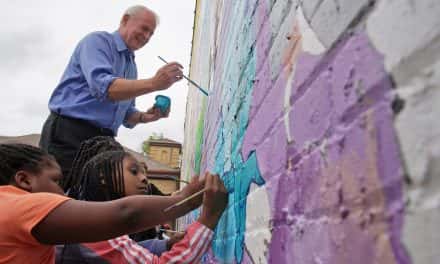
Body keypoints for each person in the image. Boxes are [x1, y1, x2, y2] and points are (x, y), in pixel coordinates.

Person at [0, 143, 228, 263]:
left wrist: (165, 244)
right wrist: (202, 216)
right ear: (24, 180)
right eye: (56, 180)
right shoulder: (21, 209)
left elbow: (126, 247)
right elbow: (126, 215)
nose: (62, 191)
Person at [39, 5, 184, 178]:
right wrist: (154, 83)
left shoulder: (131, 67)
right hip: (69, 132)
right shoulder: (97, 42)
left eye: (151, 34)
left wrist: (145, 117)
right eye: (144, 29)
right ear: (125, 20)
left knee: (107, 194)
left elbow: (126, 114)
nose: (146, 36)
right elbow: (106, 88)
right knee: (64, 194)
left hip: (104, 141)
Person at [59, 150, 212, 263]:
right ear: (103, 178)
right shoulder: (92, 231)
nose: (144, 179)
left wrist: (166, 244)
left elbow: (127, 249)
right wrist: (209, 218)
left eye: (145, 173)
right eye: (134, 171)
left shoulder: (102, 229)